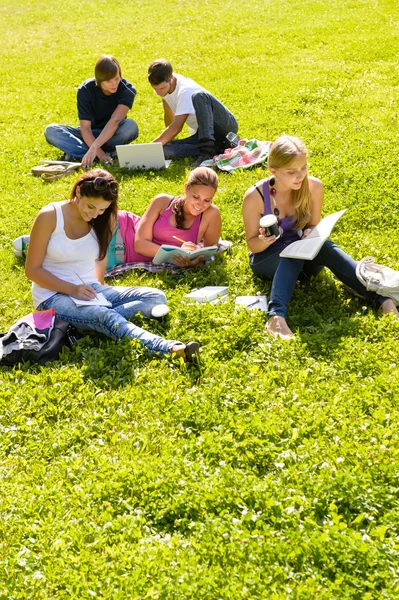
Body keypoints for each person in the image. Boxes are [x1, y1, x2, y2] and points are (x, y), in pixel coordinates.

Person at [25, 168, 199, 360]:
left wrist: (100, 288)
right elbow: (32, 270)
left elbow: (100, 258)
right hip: (52, 296)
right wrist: (72, 290)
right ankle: (170, 348)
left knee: (155, 297)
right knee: (104, 315)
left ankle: (94, 320)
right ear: (78, 192)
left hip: (89, 290)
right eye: (91, 207)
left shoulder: (103, 219)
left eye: (101, 209)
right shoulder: (50, 216)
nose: (94, 214)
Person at [242, 135, 399, 340]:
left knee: (323, 246)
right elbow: (252, 245)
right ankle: (275, 317)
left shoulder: (314, 187)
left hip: (304, 259)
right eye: (291, 172)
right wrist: (263, 241)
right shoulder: (255, 197)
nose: (300, 176)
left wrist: (310, 232)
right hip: (267, 259)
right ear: (273, 171)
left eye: (303, 168)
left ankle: (381, 298)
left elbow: (313, 225)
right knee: (293, 252)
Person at [44, 55, 138, 169]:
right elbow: (85, 128)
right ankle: (107, 154)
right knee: (51, 131)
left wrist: (94, 148)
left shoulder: (127, 89)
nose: (114, 84)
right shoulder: (85, 90)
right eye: (108, 81)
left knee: (130, 126)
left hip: (112, 134)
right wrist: (99, 152)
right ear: (99, 79)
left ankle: (80, 154)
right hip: (87, 135)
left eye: (117, 79)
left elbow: (115, 121)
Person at [148, 59, 238, 167]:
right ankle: (220, 146)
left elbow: (176, 127)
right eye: (155, 89)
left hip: (225, 125)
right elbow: (168, 114)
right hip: (203, 133)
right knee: (163, 149)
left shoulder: (185, 90)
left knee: (199, 96)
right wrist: (164, 143)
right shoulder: (163, 87)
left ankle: (207, 152)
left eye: (161, 88)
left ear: (171, 78)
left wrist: (149, 148)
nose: (159, 92)